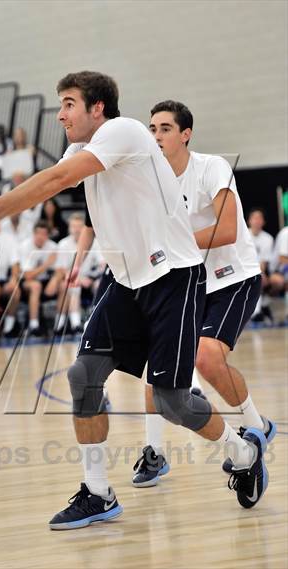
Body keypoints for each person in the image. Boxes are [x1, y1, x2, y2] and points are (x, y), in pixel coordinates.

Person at [0, 72, 270, 528]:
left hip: (173, 279)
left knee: (173, 403)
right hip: (125, 282)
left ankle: (243, 451)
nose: (61, 114)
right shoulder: (81, 151)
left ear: (98, 109)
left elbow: (58, 178)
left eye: (68, 104)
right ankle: (98, 492)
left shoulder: (123, 132)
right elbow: (56, 180)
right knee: (83, 376)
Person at [131, 100, 276, 488]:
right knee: (154, 364)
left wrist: (168, 245)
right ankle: (154, 453)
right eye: (152, 128)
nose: (156, 135)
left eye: (164, 128)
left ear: (185, 134)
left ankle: (256, 426)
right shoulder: (152, 183)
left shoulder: (212, 167)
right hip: (189, 283)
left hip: (234, 277)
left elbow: (227, 230)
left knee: (208, 357)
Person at [19, 220, 58, 335]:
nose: (41, 237)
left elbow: (60, 269)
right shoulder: (25, 246)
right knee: (36, 286)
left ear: (47, 235)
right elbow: (27, 275)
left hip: (46, 279)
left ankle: (61, 325)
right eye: (38, 233)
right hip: (27, 282)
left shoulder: (53, 246)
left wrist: (55, 280)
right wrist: (46, 264)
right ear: (34, 234)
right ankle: (34, 325)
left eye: (44, 234)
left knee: (62, 284)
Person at [248, 208, 275, 323]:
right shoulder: (243, 235)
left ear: (263, 222)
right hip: (243, 269)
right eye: (255, 218)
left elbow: (263, 262)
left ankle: (257, 311)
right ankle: (261, 307)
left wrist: (261, 273)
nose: (257, 221)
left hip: (259, 270)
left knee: (259, 279)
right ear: (249, 221)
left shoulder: (268, 238)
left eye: (260, 218)